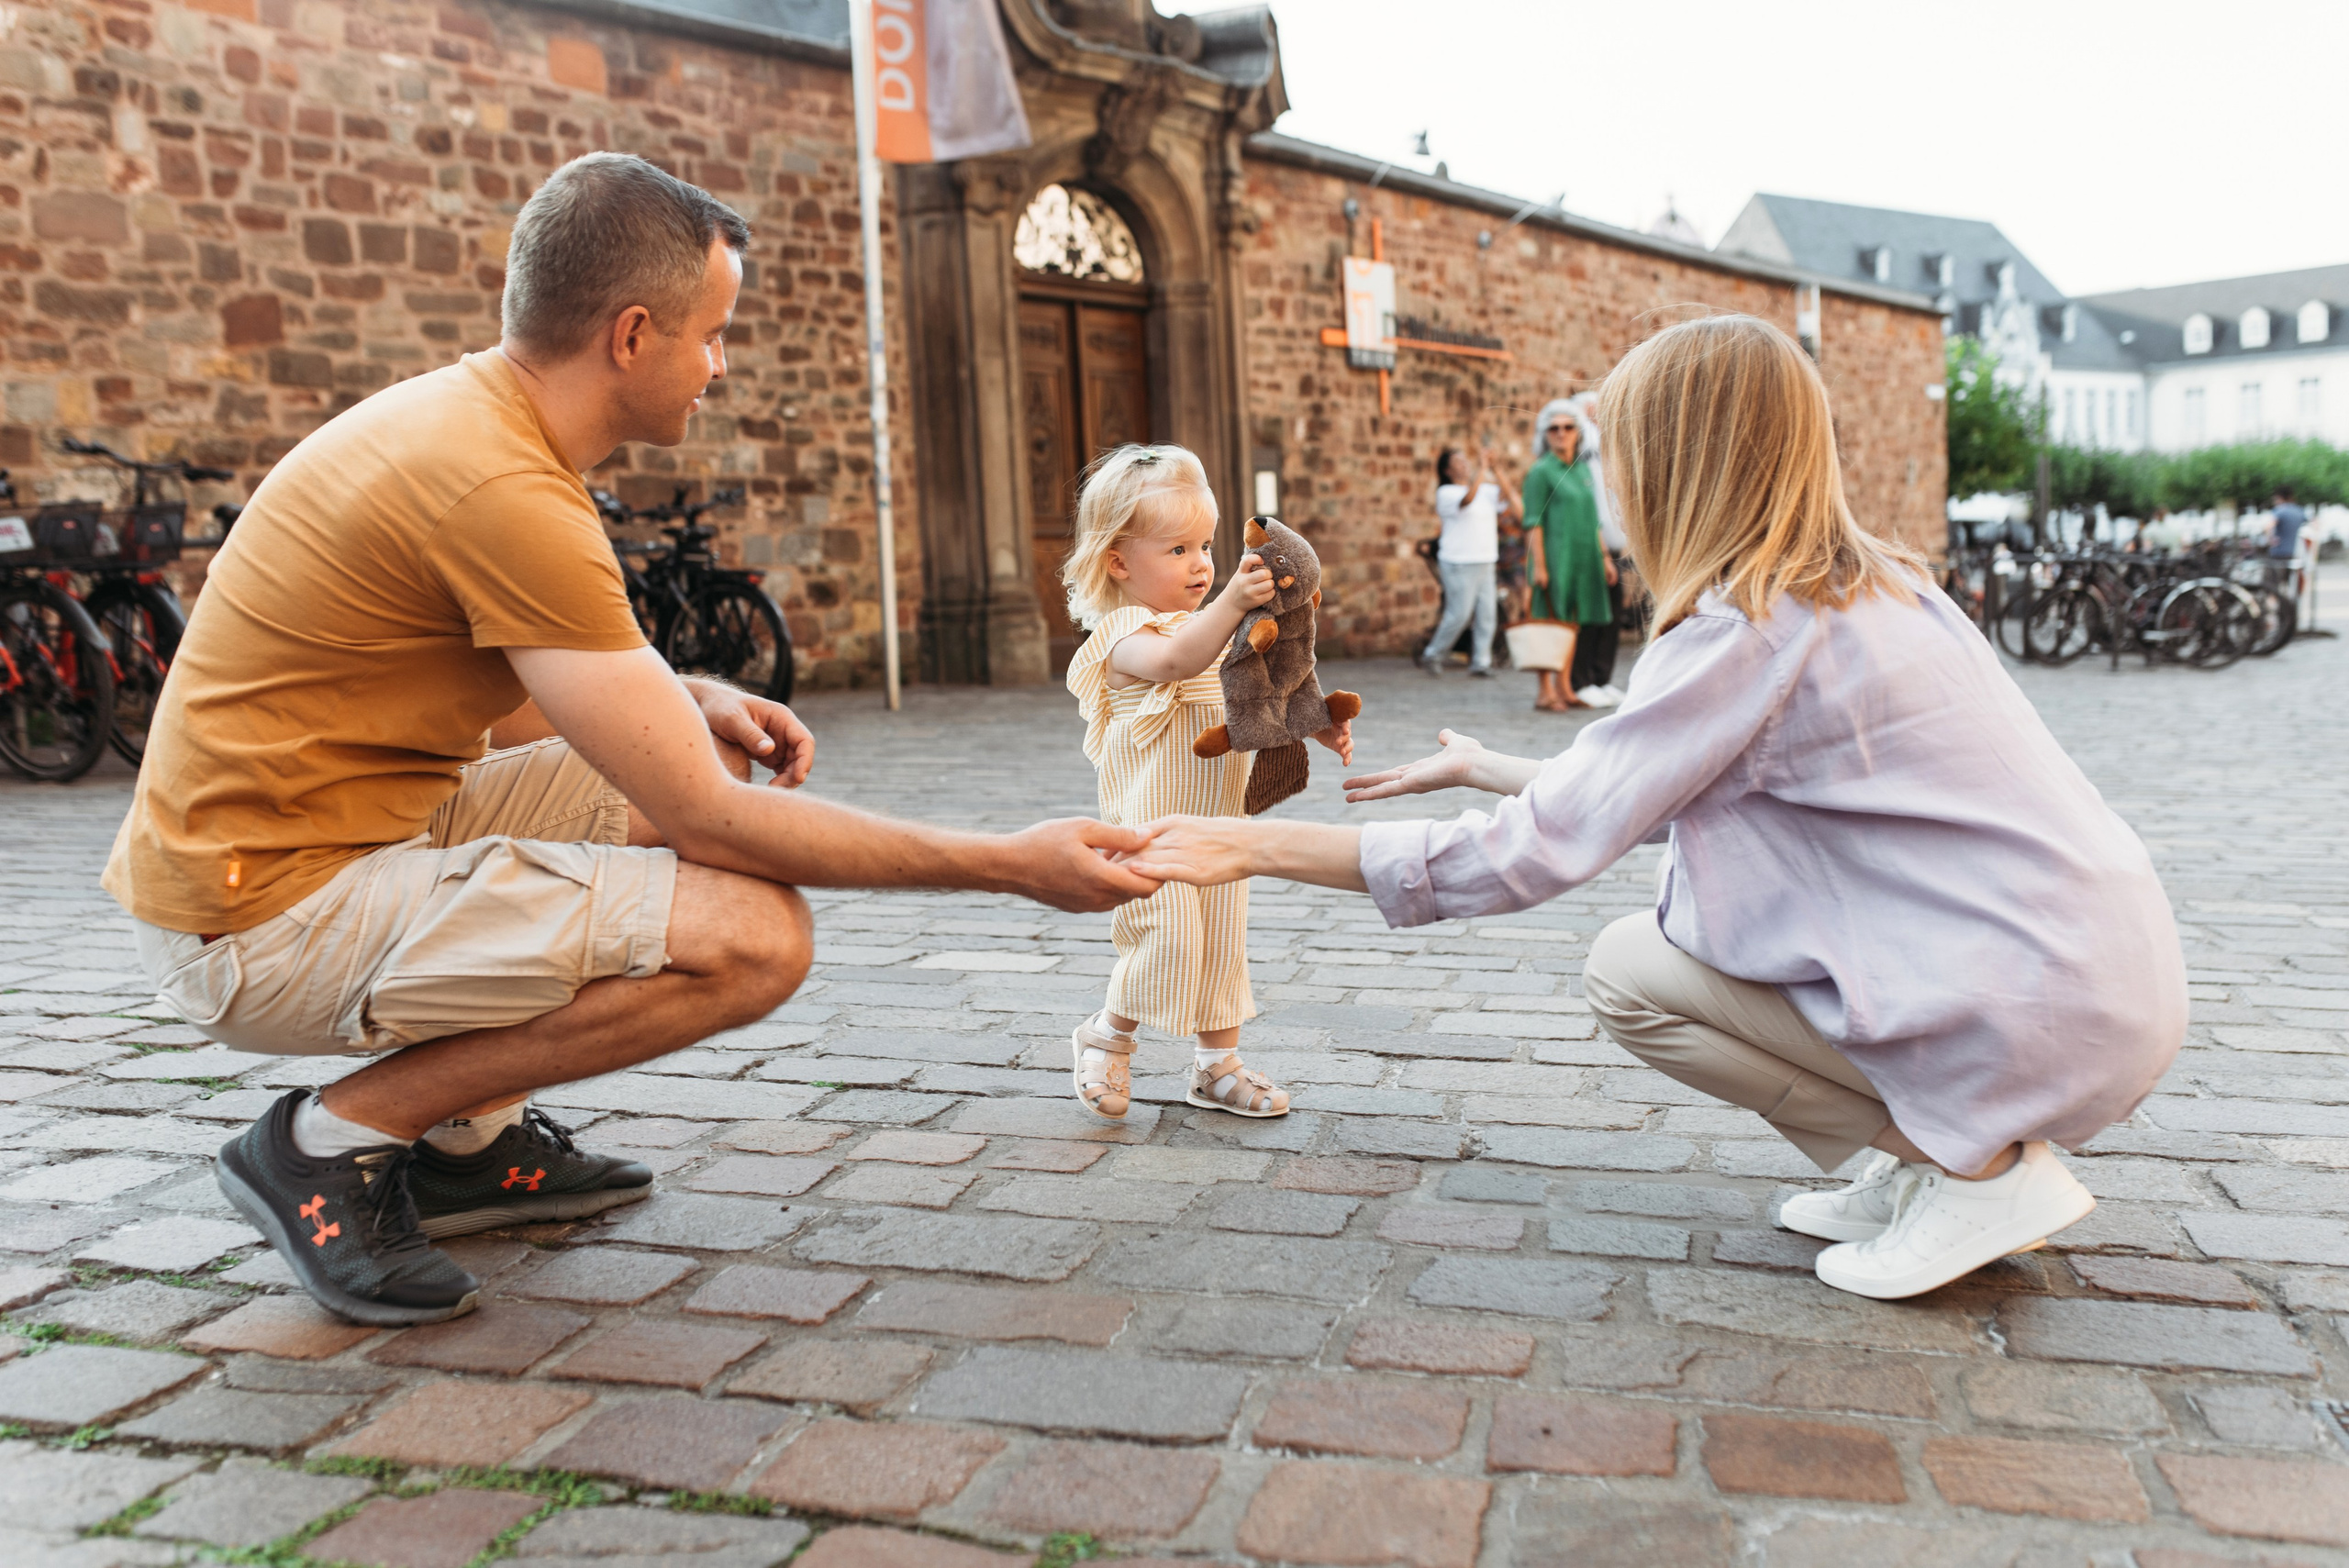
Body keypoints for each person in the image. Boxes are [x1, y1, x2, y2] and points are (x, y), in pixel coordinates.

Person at [104, 153, 1159, 1327]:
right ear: (631, 334)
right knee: (755, 934)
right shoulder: (503, 484)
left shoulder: (472, 423)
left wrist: (688, 689)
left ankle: (469, 1142)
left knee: (669, 788)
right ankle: (324, 1142)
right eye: (712, 335)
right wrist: (1013, 863)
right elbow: (724, 823)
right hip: (256, 916)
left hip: (333, 832)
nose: (719, 365)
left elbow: (491, 698)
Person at [1125, 314, 2188, 1302]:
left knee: (1629, 972)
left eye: (1620, 449)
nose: (1609, 479)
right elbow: (1658, 782)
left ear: (1676, 462)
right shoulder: (1881, 589)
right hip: (2095, 981)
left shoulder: (1742, 630)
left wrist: (1252, 841)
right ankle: (1944, 1166)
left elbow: (1531, 856)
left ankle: (1971, 1166)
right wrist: (1491, 764)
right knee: (1661, 954)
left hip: (2031, 1004)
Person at [1060, 444, 1354, 1122]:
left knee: (1222, 938)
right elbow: (1172, 660)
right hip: (1152, 828)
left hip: (1220, 822)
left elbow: (1261, 696)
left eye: (1206, 545)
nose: (1201, 563)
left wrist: (1313, 724)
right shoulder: (1121, 633)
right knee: (1163, 934)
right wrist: (1228, 607)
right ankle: (1107, 1034)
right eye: (1178, 549)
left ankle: (1216, 1065)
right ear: (1119, 562)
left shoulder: (1219, 633)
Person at [1522, 397, 1620, 712]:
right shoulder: (1541, 472)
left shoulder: (1581, 471)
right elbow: (1533, 522)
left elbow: (1593, 520)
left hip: (1585, 556)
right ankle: (1544, 690)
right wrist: (1538, 564)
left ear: (1578, 432)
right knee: (1552, 619)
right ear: (1545, 435)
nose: (1561, 433)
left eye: (1567, 427)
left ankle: (1565, 687)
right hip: (1555, 556)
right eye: (1554, 429)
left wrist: (1604, 556)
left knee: (1574, 623)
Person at [1418, 446, 1515, 677]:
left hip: (1485, 559)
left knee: (1487, 614)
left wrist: (1496, 468)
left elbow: (1508, 494)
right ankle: (1433, 653)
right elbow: (1467, 501)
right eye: (1458, 462)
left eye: (1465, 461)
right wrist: (1482, 469)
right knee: (1459, 614)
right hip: (1458, 562)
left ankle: (1481, 661)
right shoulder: (1446, 493)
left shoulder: (1485, 490)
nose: (1465, 465)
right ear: (1447, 470)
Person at [1562, 394, 1628, 708]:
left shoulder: (1605, 452)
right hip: (1590, 544)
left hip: (1613, 541)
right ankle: (1581, 679)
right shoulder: (1582, 450)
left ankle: (1601, 677)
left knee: (1613, 612)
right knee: (1590, 614)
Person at [2269, 486, 2310, 560]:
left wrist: (2270, 540)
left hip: (2280, 551)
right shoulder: (2299, 511)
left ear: (2279, 497)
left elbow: (2268, 527)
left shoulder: (2280, 511)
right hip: (2297, 551)